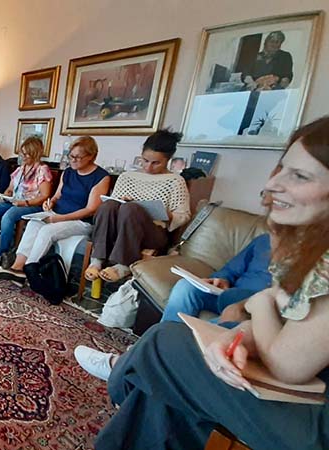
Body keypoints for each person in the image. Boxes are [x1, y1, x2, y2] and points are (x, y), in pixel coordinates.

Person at [92, 116, 329, 450]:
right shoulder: (308, 251)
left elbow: (288, 365)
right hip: (307, 388)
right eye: (282, 169)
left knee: (163, 343)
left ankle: (124, 372)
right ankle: (136, 372)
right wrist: (237, 336)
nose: (273, 184)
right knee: (170, 388)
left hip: (318, 421)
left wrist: (258, 302)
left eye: (300, 176)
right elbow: (290, 321)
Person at [75, 233, 272, 381]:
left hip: (257, 308)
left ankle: (125, 364)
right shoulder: (265, 240)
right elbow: (231, 269)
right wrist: (222, 279)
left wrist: (251, 304)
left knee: (223, 323)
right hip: (228, 295)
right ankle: (153, 348)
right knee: (186, 287)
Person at [0, 136, 110, 282]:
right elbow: (57, 196)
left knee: (47, 231)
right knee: (33, 224)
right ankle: (17, 267)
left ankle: (30, 268)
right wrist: (50, 203)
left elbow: (90, 209)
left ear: (91, 156)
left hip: (81, 222)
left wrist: (59, 218)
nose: (72, 160)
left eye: (77, 157)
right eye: (71, 156)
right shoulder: (68, 172)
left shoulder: (101, 177)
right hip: (57, 213)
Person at [84, 129, 191, 282]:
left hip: (153, 234)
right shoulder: (126, 177)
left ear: (168, 159)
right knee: (108, 206)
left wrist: (167, 213)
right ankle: (97, 260)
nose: (149, 167)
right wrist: (120, 200)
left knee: (131, 208)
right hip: (121, 228)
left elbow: (184, 216)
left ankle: (124, 264)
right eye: (145, 160)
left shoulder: (175, 181)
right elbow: (112, 207)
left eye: (156, 163)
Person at [0, 137, 53, 267]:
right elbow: (10, 188)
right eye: (22, 153)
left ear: (35, 153)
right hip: (15, 201)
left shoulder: (42, 169)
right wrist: (7, 194)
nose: (23, 156)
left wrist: (25, 203)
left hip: (32, 204)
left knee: (9, 215)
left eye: (26, 154)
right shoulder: (21, 169)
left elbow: (45, 195)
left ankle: (2, 253)